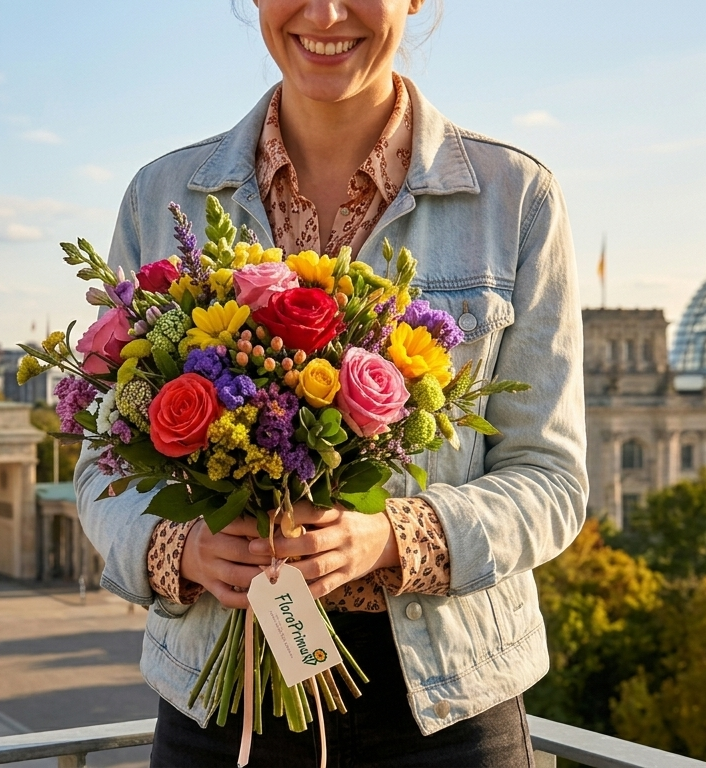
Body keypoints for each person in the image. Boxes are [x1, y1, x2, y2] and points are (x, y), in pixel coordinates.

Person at [75, 1, 587, 765]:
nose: (326, 12)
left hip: (445, 713)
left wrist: (391, 537)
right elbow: (100, 467)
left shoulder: (516, 197)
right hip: (223, 705)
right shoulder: (161, 197)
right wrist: (179, 549)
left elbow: (552, 482)